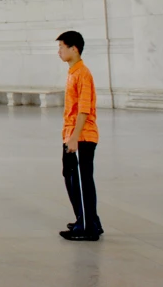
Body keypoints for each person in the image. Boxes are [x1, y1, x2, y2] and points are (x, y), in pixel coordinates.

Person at [57, 30, 103, 241]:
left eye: (62, 47)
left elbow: (84, 109)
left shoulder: (83, 73)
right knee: (70, 175)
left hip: (82, 136)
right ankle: (88, 220)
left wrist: (74, 137)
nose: (59, 51)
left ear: (73, 49)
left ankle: (87, 228)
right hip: (72, 134)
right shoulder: (73, 72)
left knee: (81, 181)